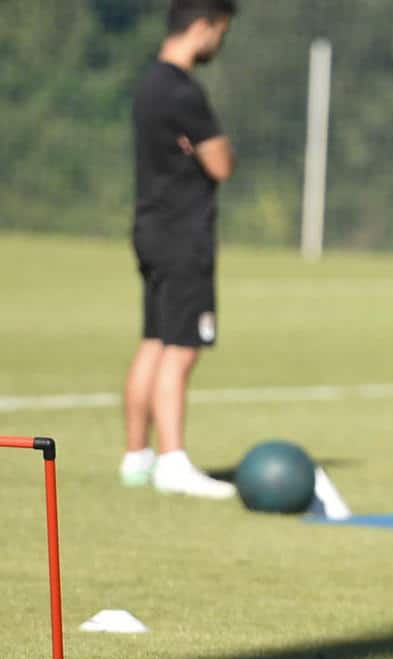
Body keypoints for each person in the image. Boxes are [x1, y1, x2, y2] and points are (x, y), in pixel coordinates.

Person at [120, 0, 238, 499]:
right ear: (203, 26)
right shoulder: (184, 92)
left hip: (149, 227)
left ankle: (136, 456)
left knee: (154, 340)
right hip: (182, 234)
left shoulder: (148, 84)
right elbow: (222, 164)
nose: (220, 42)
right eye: (221, 31)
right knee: (183, 347)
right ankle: (172, 460)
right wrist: (213, 149)